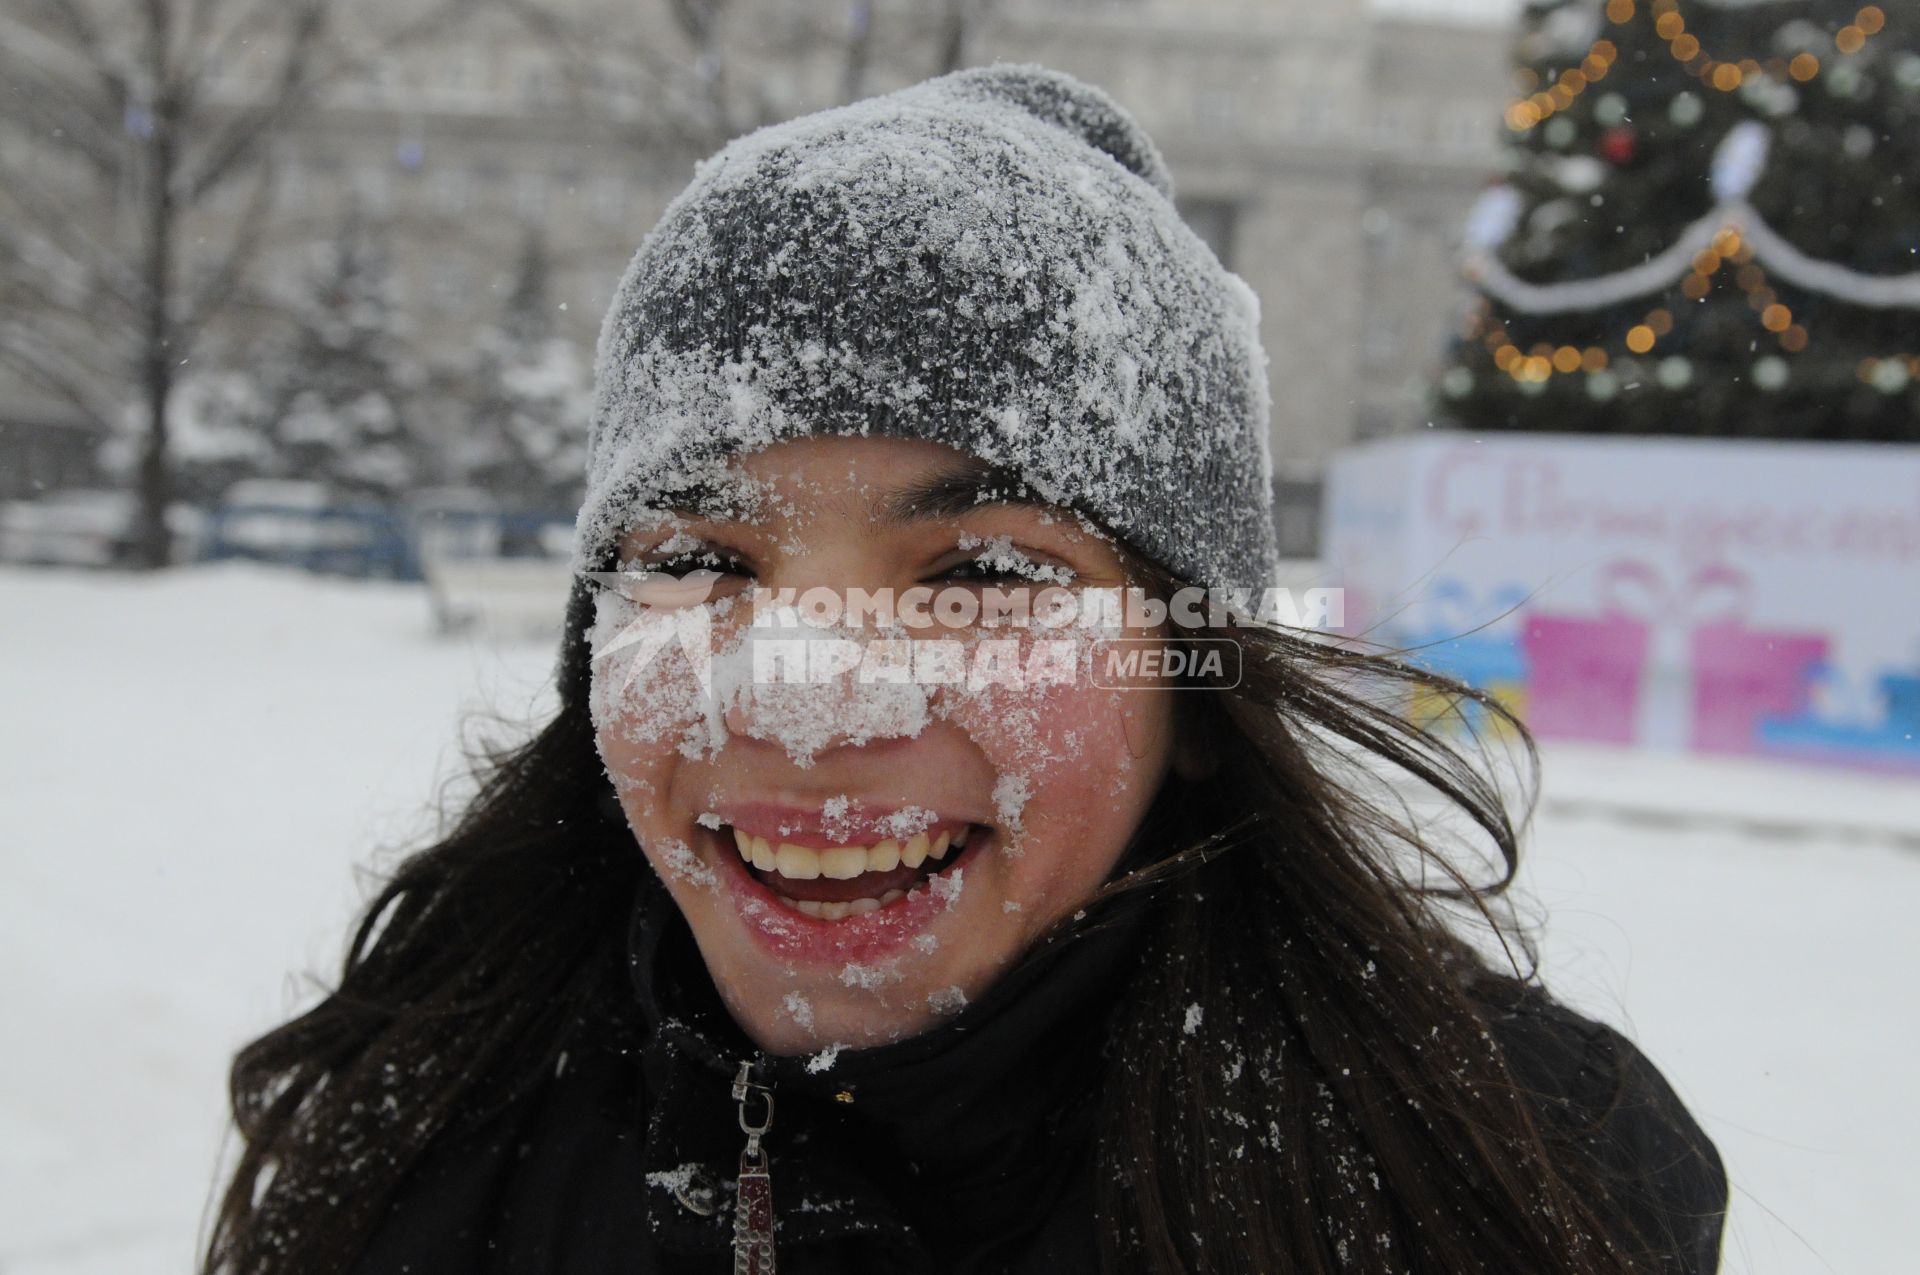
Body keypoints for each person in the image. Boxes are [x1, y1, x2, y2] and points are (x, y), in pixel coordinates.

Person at [204, 63, 1727, 1275]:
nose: (804, 694)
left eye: (986, 574)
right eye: (704, 560)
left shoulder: (1510, 1188)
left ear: (1193, 695)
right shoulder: (413, 1125)